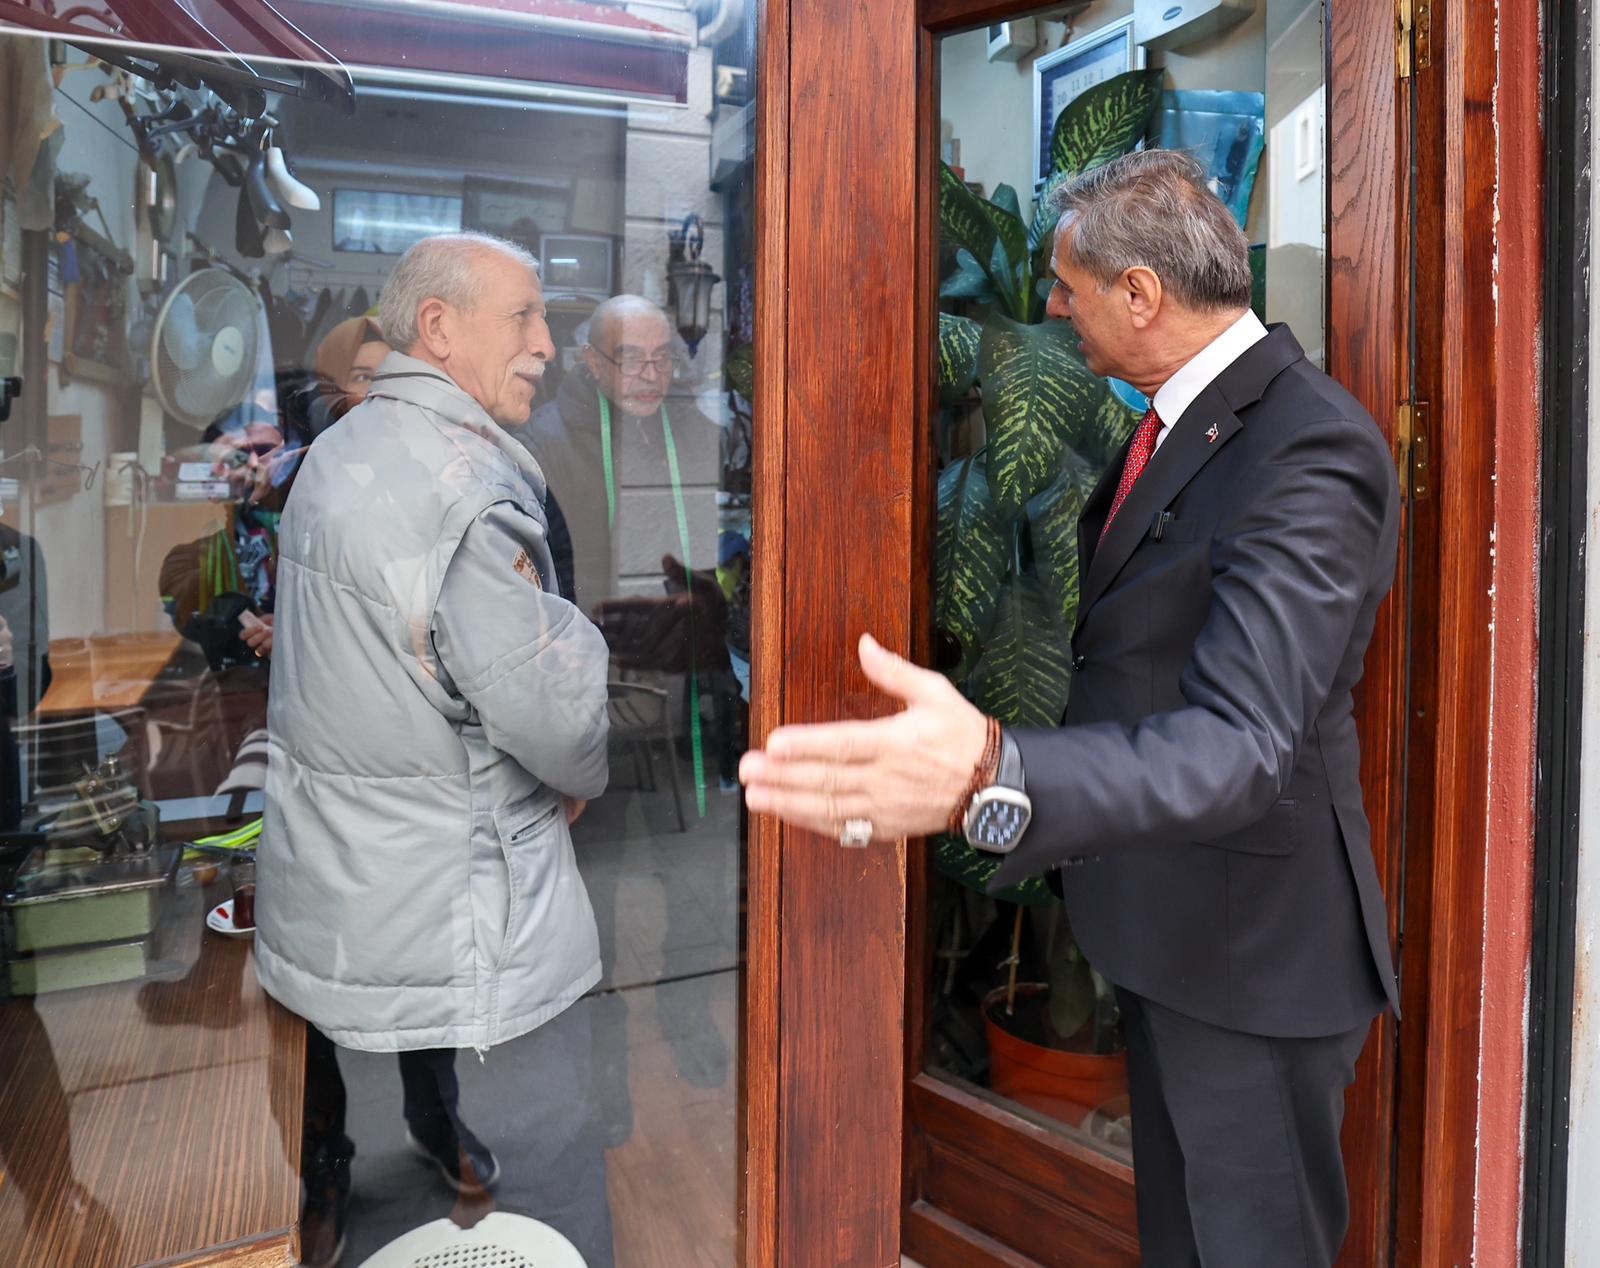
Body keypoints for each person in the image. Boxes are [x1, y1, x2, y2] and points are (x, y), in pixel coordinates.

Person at [739, 149, 1400, 1268]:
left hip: (1249, 963)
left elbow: (1240, 745)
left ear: (1140, 292)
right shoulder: (1173, 420)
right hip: (1172, 934)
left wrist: (991, 769)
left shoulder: (1307, 447)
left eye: (1065, 285)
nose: (1049, 307)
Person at [256, 231, 614, 1267]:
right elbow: (553, 714)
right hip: (451, 908)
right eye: (526, 317)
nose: (548, 342)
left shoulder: (347, 448)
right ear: (438, 326)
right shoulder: (457, 483)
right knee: (535, 1202)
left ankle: (380, 1169)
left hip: (353, 883)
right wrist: (578, 677)